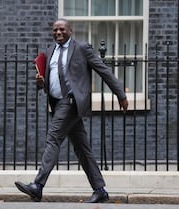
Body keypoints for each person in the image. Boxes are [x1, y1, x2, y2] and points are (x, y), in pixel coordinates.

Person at [15, 18, 128, 203]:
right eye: (55, 30)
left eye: (62, 30)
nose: (58, 33)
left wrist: (120, 94)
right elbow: (50, 78)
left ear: (70, 31)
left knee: (53, 137)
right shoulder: (50, 51)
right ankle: (100, 190)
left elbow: (103, 70)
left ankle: (38, 185)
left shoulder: (82, 49)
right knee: (82, 149)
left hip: (72, 102)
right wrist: (41, 83)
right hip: (58, 103)